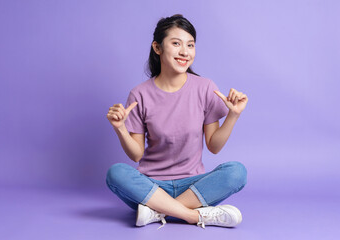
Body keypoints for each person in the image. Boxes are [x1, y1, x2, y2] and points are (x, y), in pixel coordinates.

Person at [106, 14, 248, 229]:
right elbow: (136, 154)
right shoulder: (139, 94)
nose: (185, 52)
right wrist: (120, 129)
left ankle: (156, 212)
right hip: (151, 186)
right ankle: (194, 216)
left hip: (194, 186)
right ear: (157, 47)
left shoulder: (205, 88)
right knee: (115, 173)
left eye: (190, 45)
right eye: (176, 43)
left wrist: (233, 115)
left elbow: (214, 146)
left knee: (237, 171)